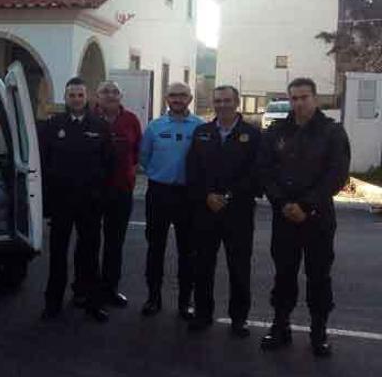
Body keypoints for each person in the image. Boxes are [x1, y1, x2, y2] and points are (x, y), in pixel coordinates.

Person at [257, 78, 350, 357]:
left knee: (318, 277)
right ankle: (280, 327)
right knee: (284, 275)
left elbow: (337, 175)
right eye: (294, 98)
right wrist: (283, 203)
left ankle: (318, 333)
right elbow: (265, 171)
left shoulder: (332, 132)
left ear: (315, 99)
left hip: (318, 218)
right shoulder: (276, 132)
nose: (299, 103)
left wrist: (306, 205)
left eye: (304, 97)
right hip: (284, 216)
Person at [185, 86, 261, 336]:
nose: (223, 105)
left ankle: (239, 319)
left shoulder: (252, 134)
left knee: (239, 267)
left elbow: (256, 174)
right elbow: (193, 170)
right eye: (218, 101)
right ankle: (203, 313)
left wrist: (228, 196)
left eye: (227, 100)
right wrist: (207, 195)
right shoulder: (202, 132)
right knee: (203, 265)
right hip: (205, 211)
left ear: (237, 102)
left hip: (238, 213)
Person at [40, 77, 115, 322]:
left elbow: (109, 164)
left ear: (88, 97)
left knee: (90, 254)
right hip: (61, 202)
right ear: (66, 97)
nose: (76, 99)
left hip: (90, 202)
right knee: (58, 254)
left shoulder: (100, 126)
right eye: (72, 95)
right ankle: (53, 303)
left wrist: (102, 197)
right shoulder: (53, 125)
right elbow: (44, 162)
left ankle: (91, 302)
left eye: (80, 95)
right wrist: (47, 202)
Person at [139, 81, 204, 319]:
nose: (177, 99)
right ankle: (153, 298)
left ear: (190, 98)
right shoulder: (154, 127)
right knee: (155, 248)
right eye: (173, 95)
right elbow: (144, 158)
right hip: (159, 193)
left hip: (188, 196)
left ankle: (184, 302)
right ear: (167, 99)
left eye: (182, 95)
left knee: (188, 251)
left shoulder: (200, 127)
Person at [92, 80, 142, 308]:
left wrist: (129, 173)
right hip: (91, 191)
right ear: (97, 95)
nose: (110, 95)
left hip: (121, 190)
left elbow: (137, 151)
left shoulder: (131, 120)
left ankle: (110, 289)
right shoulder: (89, 118)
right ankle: (85, 290)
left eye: (114, 91)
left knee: (115, 243)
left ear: (121, 96)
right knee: (89, 243)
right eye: (105, 92)